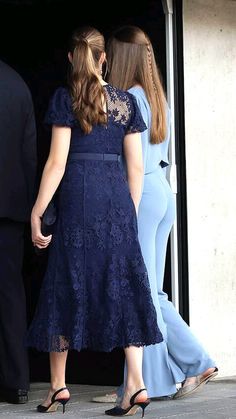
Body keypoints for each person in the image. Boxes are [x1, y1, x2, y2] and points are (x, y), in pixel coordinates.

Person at [26, 26, 163, 416]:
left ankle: (57, 388)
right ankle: (135, 383)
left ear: (72, 58)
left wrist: (37, 210)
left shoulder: (64, 99)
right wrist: (129, 213)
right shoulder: (124, 103)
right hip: (116, 199)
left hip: (78, 199)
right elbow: (135, 166)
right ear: (105, 59)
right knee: (122, 284)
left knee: (64, 284)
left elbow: (56, 163)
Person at [92, 25, 218, 403]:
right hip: (161, 191)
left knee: (140, 290)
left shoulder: (128, 98)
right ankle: (195, 361)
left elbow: (126, 159)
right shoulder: (156, 95)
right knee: (152, 289)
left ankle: (152, 381)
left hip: (142, 193)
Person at [0, 60, 37, 404]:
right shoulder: (17, 83)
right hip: (10, 209)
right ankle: (17, 383)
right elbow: (29, 154)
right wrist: (30, 211)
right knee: (10, 294)